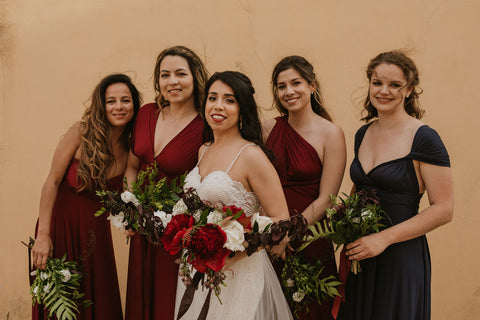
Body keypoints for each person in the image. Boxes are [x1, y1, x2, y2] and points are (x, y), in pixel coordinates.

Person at [338, 50, 454, 320]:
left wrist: (383, 239)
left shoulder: (424, 138)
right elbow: (360, 188)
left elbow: (444, 209)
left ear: (410, 89)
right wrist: (342, 224)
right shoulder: (363, 133)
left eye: (395, 85)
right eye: (377, 83)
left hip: (401, 256)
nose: (383, 91)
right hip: (361, 255)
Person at [175, 71, 293, 320]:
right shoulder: (203, 150)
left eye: (229, 100)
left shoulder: (251, 156)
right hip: (199, 269)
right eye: (212, 98)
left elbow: (280, 218)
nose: (218, 106)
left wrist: (232, 255)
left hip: (238, 270)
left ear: (242, 109)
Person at [31, 73, 142, 320]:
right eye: (111, 101)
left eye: (125, 100)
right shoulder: (80, 132)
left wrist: (131, 217)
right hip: (60, 229)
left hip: (96, 237)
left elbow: (127, 191)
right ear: (101, 105)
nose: (119, 107)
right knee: (61, 305)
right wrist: (43, 235)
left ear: (134, 104)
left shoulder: (131, 147)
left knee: (99, 302)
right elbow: (52, 182)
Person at [124, 46, 208, 320]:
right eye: (165, 75)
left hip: (178, 236)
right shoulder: (146, 113)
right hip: (142, 230)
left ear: (195, 78)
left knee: (169, 306)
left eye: (180, 74)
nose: (172, 82)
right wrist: (130, 208)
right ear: (157, 81)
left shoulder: (206, 124)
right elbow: (132, 166)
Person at [263, 55, 346, 319]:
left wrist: (291, 233)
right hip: (270, 237)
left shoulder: (331, 133)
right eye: (281, 86)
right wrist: (272, 233)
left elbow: (327, 198)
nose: (289, 91)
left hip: (310, 236)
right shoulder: (267, 129)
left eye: (295, 83)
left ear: (312, 85)